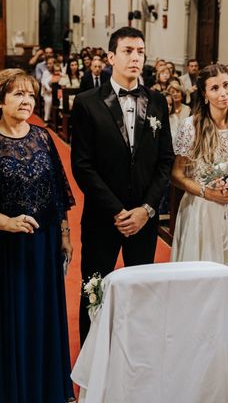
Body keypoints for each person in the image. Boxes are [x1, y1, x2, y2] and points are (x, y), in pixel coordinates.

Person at [0, 69, 75, 402]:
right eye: (18, 95)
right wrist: (7, 223)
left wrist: (65, 234)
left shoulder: (42, 137)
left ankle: (42, 387)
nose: (27, 101)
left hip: (44, 243)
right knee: (11, 319)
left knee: (41, 316)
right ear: (0, 100)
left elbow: (58, 193)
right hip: (3, 248)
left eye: (31, 95)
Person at [71, 26, 174, 343]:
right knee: (94, 289)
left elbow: (165, 160)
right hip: (104, 217)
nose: (135, 57)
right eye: (128, 51)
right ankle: (90, 363)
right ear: (111, 56)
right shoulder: (87, 103)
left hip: (144, 219)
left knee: (142, 292)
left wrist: (145, 209)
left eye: (140, 51)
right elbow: (82, 166)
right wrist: (118, 210)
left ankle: (137, 356)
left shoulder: (157, 101)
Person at [170, 64, 228, 270]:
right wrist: (207, 193)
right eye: (215, 88)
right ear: (204, 94)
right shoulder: (191, 127)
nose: (223, 93)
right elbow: (176, 175)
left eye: (226, 85)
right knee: (201, 272)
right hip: (201, 209)